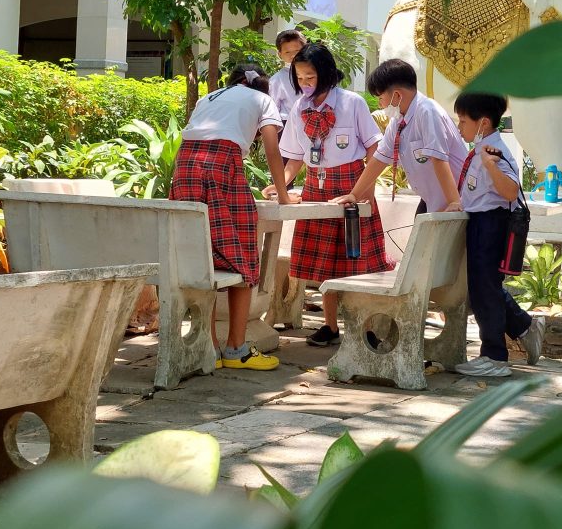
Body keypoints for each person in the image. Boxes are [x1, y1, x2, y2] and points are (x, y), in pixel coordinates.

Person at [170, 63, 300, 371]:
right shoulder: (262, 99)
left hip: (185, 165)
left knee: (202, 257)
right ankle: (236, 349)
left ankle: (209, 348)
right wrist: (284, 196)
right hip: (222, 166)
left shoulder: (209, 97)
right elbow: (272, 150)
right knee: (244, 253)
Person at [263, 42, 393, 346]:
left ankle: (365, 328)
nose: (305, 83)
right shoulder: (299, 107)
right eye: (300, 78)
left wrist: (365, 190)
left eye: (310, 77)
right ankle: (330, 326)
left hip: (352, 186)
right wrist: (280, 185)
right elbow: (295, 157)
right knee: (324, 264)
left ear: (326, 73)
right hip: (315, 188)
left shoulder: (351, 103)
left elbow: (375, 148)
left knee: (356, 262)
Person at [453, 91, 544, 378]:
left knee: (485, 290)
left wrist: (491, 165)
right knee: (484, 287)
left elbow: (510, 191)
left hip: (490, 224)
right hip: (479, 221)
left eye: (463, 121)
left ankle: (494, 356)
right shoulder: (482, 148)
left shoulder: (494, 152)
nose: (459, 127)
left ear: (483, 122)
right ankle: (525, 327)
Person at [329, 58, 466, 215]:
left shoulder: (428, 112)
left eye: (381, 98)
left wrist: (454, 202)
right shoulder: (398, 121)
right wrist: (354, 195)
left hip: (458, 199)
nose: (380, 104)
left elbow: (439, 159)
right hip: (432, 200)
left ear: (397, 95)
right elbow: (380, 158)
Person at [269, 29, 307, 127]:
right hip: (288, 124)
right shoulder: (277, 80)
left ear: (305, 49)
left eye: (297, 51)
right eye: (287, 52)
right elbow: (272, 110)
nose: (293, 55)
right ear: (279, 54)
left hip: (316, 122)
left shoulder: (317, 73)